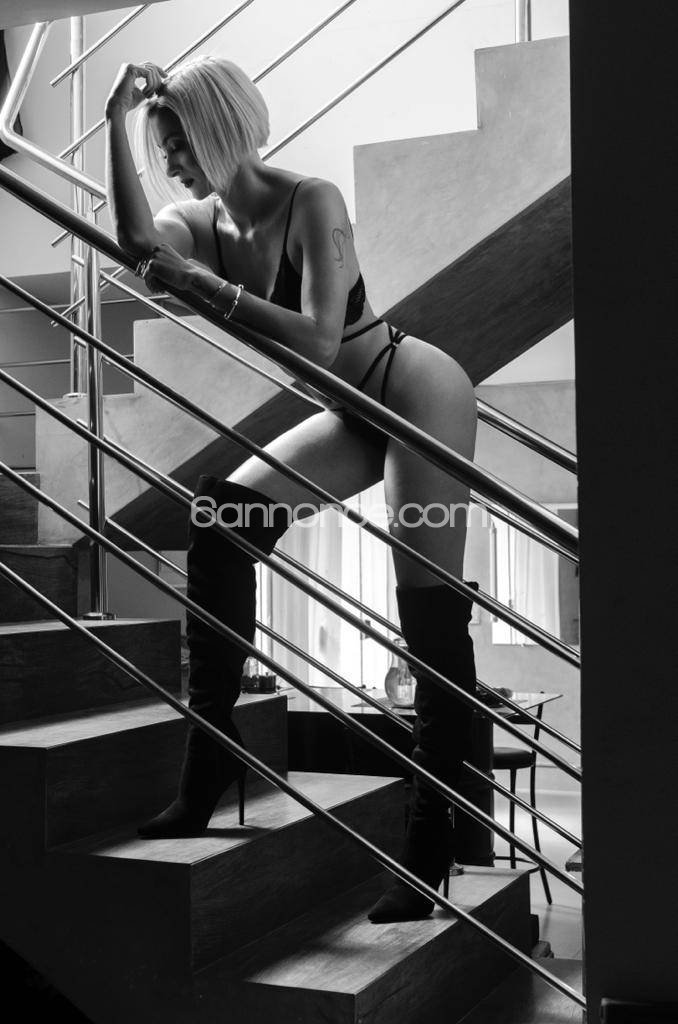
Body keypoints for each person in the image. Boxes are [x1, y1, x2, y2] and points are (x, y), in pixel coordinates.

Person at [105, 56, 479, 922]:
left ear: (222, 128)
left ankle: (430, 845)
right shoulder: (197, 222)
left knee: (428, 620)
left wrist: (206, 285)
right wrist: (116, 120)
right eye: (162, 147)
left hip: (409, 386)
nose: (173, 164)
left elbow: (318, 342)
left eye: (181, 143)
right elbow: (136, 245)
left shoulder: (313, 200)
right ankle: (209, 760)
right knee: (220, 520)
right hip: (347, 412)